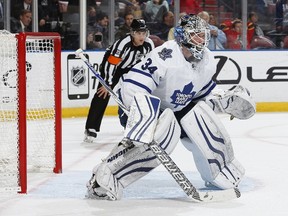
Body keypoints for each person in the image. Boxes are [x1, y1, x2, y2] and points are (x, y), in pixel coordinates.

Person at [85, 14, 256, 200]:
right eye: (196, 34)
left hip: (176, 109)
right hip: (143, 108)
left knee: (200, 115)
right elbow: (134, 85)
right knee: (165, 132)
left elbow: (201, 95)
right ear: (183, 36)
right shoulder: (165, 55)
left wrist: (222, 100)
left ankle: (220, 170)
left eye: (203, 34)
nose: (201, 39)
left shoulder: (208, 60)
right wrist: (145, 116)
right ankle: (106, 177)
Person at [84, 19, 154, 143]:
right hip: (114, 68)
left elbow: (151, 63)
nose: (142, 36)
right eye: (139, 33)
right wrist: (107, 83)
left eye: (144, 33)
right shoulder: (123, 44)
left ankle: (132, 125)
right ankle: (91, 127)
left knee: (136, 95)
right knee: (102, 94)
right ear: (132, 33)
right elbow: (111, 64)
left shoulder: (149, 44)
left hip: (132, 69)